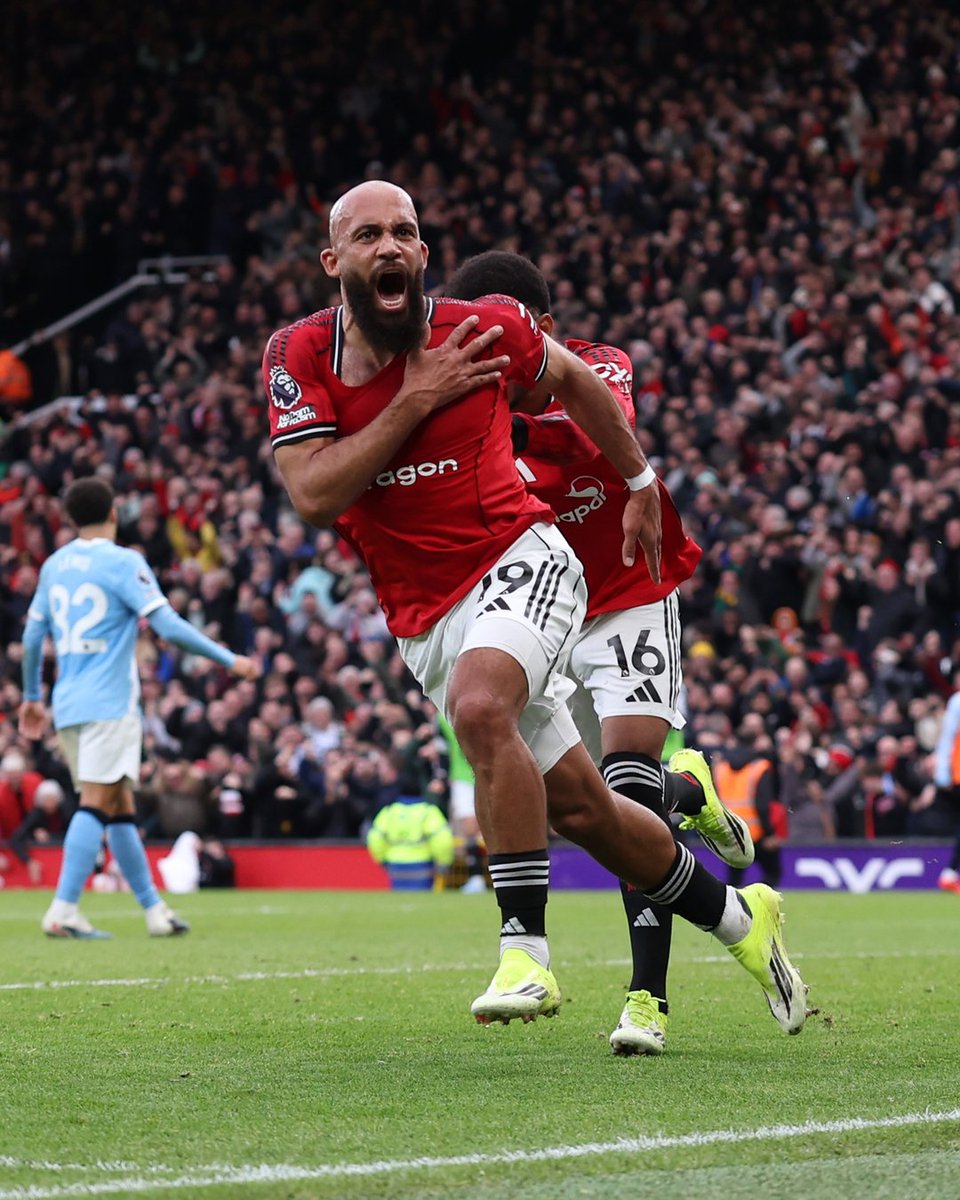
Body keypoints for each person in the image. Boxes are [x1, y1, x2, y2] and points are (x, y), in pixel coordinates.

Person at [266, 180, 806, 1037]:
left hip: (526, 559)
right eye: (368, 236)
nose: (390, 247)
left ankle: (527, 955)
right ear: (334, 262)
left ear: (425, 252)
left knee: (482, 709)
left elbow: (581, 381)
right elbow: (313, 495)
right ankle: (743, 921)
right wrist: (416, 397)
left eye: (405, 231)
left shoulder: (484, 329)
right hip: (424, 616)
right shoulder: (297, 357)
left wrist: (637, 480)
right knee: (587, 812)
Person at [444, 250, 756, 1053]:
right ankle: (690, 793)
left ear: (540, 330)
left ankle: (646, 1000)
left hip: (631, 592)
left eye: (499, 335)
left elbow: (584, 422)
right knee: (575, 805)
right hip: (546, 607)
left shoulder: (600, 365)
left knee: (624, 785)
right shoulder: (475, 411)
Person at [18, 476, 261, 939]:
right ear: (113, 514)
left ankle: (154, 910)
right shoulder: (123, 561)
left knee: (119, 805)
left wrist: (31, 697)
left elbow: (32, 638)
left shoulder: (53, 565)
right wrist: (230, 660)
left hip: (68, 704)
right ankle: (64, 907)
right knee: (96, 802)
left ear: (70, 520)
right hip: (109, 703)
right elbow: (166, 626)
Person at [366, 781, 455, 890]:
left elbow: (375, 837)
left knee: (398, 901)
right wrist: (443, 862)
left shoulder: (389, 811)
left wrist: (382, 860)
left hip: (395, 866)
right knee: (423, 902)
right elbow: (442, 840)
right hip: (423, 866)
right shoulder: (429, 812)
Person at [9, 778, 71, 884]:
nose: (50, 803)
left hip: (62, 859)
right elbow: (17, 837)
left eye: (52, 799)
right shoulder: (36, 815)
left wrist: (50, 837)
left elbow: (71, 835)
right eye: (46, 799)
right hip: (41, 859)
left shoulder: (65, 813)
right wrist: (28, 860)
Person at [932, 675, 960, 894]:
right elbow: (947, 737)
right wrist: (943, 773)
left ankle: (949, 873)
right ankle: (949, 873)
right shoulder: (958, 702)